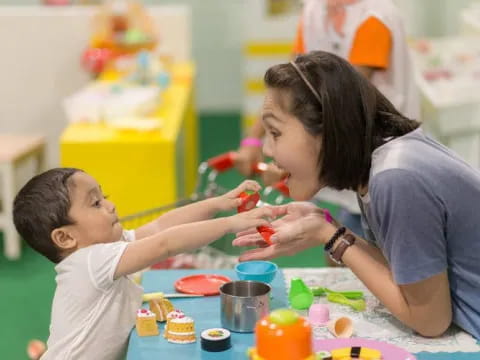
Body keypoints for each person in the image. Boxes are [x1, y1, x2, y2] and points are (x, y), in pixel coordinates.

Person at [233, 51, 480, 339]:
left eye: (275, 133)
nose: (267, 150)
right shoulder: (385, 163)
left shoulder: (396, 177)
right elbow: (405, 272)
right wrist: (324, 227)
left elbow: (430, 321)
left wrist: (331, 237)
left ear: (327, 130)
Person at [13, 168, 273, 359]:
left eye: (105, 196)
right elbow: (165, 243)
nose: (111, 205)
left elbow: (161, 226)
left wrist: (218, 203)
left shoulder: (103, 250)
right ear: (66, 237)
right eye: (96, 203)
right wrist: (230, 224)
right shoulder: (89, 262)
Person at [236, 0, 419, 236]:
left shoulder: (375, 18)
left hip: (378, 154)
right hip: (345, 151)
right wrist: (252, 141)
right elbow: (287, 88)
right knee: (342, 234)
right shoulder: (315, 10)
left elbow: (341, 104)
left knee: (369, 240)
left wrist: (287, 159)